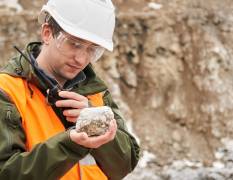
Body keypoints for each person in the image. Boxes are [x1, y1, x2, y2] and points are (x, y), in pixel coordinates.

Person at [0, 0, 140, 179]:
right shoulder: (7, 91)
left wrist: (96, 124)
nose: (81, 59)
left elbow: (125, 164)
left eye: (92, 50)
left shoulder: (95, 93)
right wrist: (70, 144)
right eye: (74, 44)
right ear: (47, 33)